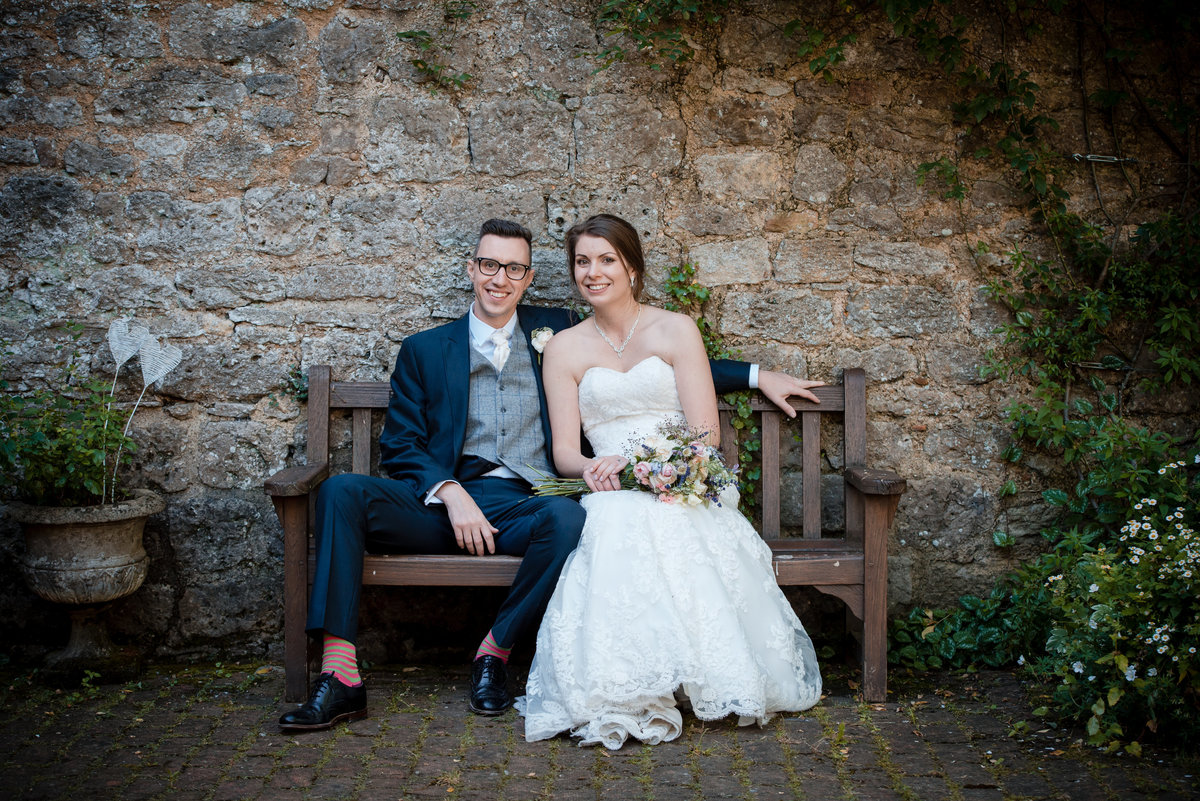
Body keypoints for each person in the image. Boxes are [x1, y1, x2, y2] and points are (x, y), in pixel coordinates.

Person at [278, 218, 824, 731]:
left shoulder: (556, 331)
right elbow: (399, 445)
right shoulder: (424, 350)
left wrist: (754, 374)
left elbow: (643, 360)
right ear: (471, 270)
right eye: (489, 266)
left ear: (529, 278)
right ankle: (339, 673)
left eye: (514, 269)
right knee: (343, 490)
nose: (500, 279)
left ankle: (494, 653)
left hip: (525, 503)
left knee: (568, 518)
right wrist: (449, 492)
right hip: (441, 507)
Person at [519, 214, 823, 749]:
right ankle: (626, 681)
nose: (593, 272)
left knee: (670, 517)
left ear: (631, 268)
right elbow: (566, 449)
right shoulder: (563, 347)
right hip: (609, 482)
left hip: (685, 473)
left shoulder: (675, 329)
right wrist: (591, 467)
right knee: (615, 521)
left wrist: (660, 468)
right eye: (582, 261)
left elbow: (705, 436)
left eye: (606, 259)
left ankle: (697, 670)